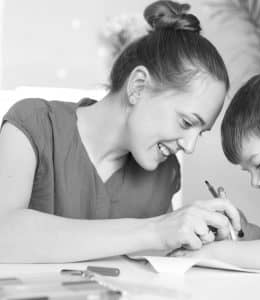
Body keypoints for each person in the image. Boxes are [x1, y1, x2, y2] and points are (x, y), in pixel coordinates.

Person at [0, 0, 241, 263]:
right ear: (138, 86)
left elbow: (153, 264)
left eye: (201, 132)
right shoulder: (32, 125)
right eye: (186, 123)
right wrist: (156, 229)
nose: (190, 146)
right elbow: (5, 235)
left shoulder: (165, 172)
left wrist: (193, 243)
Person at [172, 70, 260, 270]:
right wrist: (244, 232)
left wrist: (214, 253)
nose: (255, 182)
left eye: (259, 164)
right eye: (248, 171)